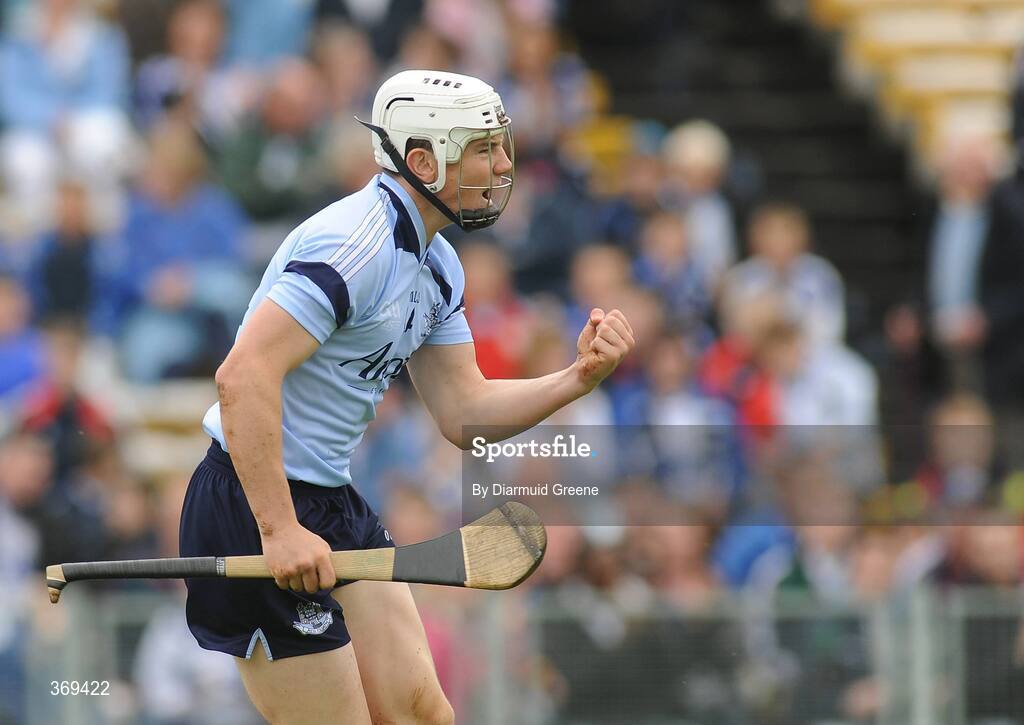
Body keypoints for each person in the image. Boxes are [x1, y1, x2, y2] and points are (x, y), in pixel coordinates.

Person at [178, 69, 635, 724]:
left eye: (500, 145)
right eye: (483, 148)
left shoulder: (437, 263)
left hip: (331, 501)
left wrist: (575, 378)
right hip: (252, 502)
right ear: (422, 160)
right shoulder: (352, 246)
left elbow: (464, 411)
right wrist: (279, 529)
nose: (503, 164)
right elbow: (242, 377)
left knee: (423, 714)